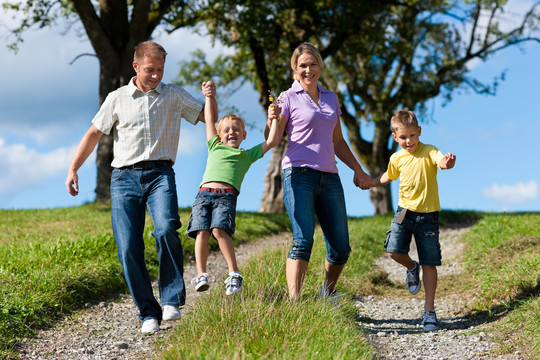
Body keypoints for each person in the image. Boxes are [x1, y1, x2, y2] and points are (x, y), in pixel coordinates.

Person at [65, 41, 217, 335]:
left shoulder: (173, 95)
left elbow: (205, 118)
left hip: (161, 174)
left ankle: (171, 298)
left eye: (160, 70)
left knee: (165, 229)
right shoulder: (118, 98)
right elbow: (94, 133)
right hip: (124, 179)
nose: (156, 76)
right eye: (150, 70)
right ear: (136, 67)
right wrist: (73, 168)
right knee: (127, 247)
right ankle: (148, 311)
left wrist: (210, 99)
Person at [265, 42, 372, 301]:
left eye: (313, 64)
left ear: (320, 67)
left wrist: (359, 170)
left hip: (330, 176)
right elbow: (274, 138)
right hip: (299, 174)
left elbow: (338, 141)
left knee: (341, 248)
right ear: (294, 68)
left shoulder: (331, 98)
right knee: (303, 239)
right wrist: (272, 119)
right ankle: (295, 302)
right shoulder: (286, 98)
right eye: (303, 65)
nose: (308, 69)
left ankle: (327, 292)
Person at [187, 85, 281, 295]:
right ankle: (201, 274)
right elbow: (210, 120)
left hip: (226, 197)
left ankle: (234, 274)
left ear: (244, 135)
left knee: (220, 230)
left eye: (237, 129)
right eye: (227, 130)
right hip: (203, 195)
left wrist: (274, 118)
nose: (232, 133)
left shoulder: (246, 155)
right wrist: (209, 97)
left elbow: (272, 140)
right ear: (219, 135)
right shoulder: (214, 145)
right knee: (201, 232)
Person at [370, 109, 456, 331]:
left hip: (428, 215)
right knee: (392, 250)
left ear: (419, 131)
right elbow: (389, 175)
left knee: (430, 262)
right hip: (403, 211)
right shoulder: (396, 158)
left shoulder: (429, 151)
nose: (408, 141)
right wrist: (370, 183)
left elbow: (441, 163)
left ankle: (429, 311)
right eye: (403, 137)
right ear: (394, 137)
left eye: (412, 135)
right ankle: (411, 267)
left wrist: (448, 163)